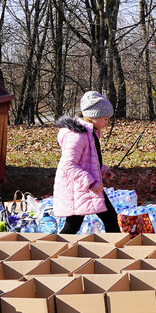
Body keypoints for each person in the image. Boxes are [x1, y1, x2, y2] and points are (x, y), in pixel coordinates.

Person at [53, 91, 121, 234]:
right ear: (93, 116)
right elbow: (68, 165)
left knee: (110, 218)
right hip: (77, 187)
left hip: (87, 185)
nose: (107, 122)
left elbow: (88, 159)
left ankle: (116, 252)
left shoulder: (91, 132)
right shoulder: (77, 136)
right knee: (72, 226)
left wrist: (102, 170)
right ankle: (54, 251)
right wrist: (91, 182)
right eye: (106, 119)